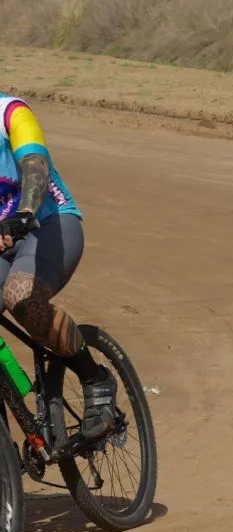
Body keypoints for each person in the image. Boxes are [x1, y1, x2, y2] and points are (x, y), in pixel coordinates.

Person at [0, 94, 117, 440]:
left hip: (47, 223)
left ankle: (94, 378)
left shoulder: (10, 112)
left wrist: (24, 213)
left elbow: (35, 165)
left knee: (21, 296)